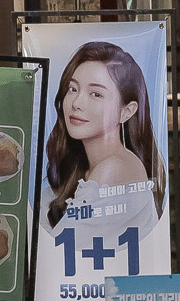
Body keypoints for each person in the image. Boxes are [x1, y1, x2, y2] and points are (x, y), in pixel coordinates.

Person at [45, 40, 165, 235]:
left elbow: (58, 250)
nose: (77, 103)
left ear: (126, 112)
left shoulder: (113, 169)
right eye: (73, 89)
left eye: (96, 94)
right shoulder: (83, 168)